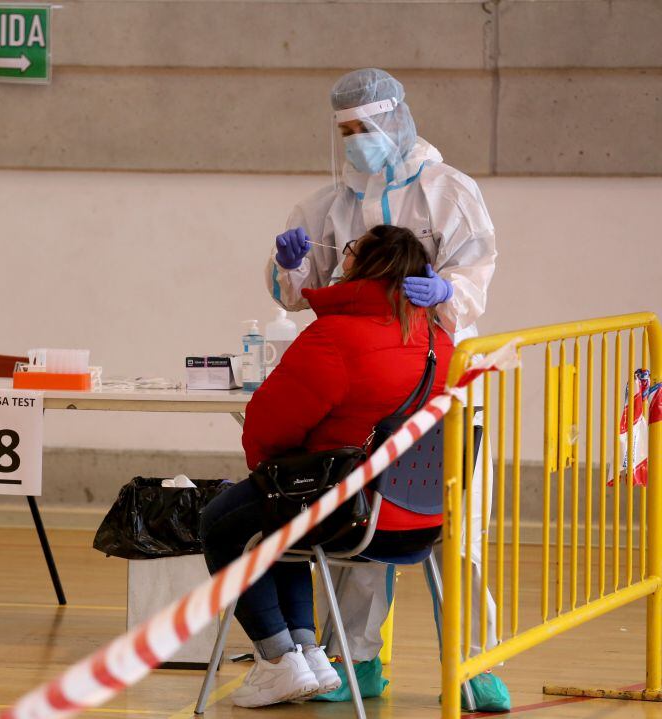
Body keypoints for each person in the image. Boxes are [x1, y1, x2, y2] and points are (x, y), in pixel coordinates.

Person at [264, 68, 502, 706]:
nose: (354, 142)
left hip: (438, 385)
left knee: (458, 533)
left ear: (395, 121)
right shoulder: (326, 205)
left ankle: (476, 663)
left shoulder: (449, 193)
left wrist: (448, 291)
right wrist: (285, 265)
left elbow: (475, 273)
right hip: (370, 399)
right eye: (343, 131)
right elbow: (298, 291)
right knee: (366, 527)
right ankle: (353, 659)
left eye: (363, 129)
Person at [202, 226, 453, 708]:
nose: (343, 257)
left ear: (365, 268)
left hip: (349, 508)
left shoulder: (336, 335)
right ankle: (309, 655)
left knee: (221, 522)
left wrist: (267, 466)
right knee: (278, 515)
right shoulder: (437, 339)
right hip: (419, 516)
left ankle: (277, 660)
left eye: (353, 251)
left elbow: (268, 426)